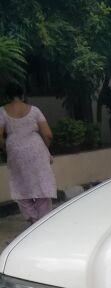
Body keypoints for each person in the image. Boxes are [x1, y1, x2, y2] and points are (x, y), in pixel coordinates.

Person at [0, 81, 57, 224]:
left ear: (7, 96)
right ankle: (43, 221)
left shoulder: (2, 111)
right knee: (41, 183)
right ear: (22, 94)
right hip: (36, 149)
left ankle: (32, 219)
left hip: (15, 151)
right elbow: (48, 134)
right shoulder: (35, 110)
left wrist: (5, 148)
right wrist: (45, 149)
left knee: (21, 185)